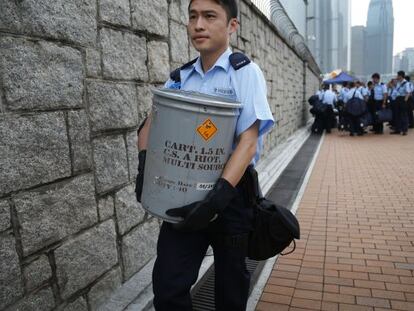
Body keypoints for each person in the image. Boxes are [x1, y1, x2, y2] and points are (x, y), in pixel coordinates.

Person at [136, 1, 274, 310]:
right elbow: (148, 125)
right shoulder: (181, 77)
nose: (198, 24)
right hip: (182, 196)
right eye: (193, 16)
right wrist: (144, 168)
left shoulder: (245, 73)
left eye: (210, 16)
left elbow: (248, 142)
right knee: (169, 285)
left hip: (231, 197)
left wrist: (217, 198)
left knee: (230, 288)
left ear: (232, 26)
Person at [392, 71, 411, 135]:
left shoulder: (406, 83)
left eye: (397, 75)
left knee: (404, 115)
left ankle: (404, 130)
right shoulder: (398, 83)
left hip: (403, 99)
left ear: (400, 76)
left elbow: (408, 93)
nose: (397, 76)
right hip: (397, 99)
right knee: (397, 115)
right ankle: (397, 129)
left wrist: (405, 101)